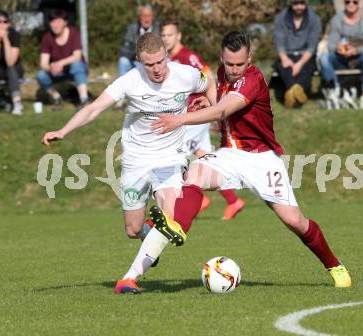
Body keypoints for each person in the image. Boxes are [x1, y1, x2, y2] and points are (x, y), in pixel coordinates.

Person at [119, 31, 351, 294]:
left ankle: (334, 265)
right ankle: (177, 226)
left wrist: (181, 118)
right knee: (193, 173)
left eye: (240, 64)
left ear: (249, 59)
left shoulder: (253, 79)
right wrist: (203, 101)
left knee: (294, 221)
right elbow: (219, 111)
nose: (234, 69)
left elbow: (221, 111)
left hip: (262, 160)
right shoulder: (220, 73)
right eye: (229, 64)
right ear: (222, 58)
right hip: (230, 154)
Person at [40, 32, 215, 293]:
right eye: (149, 64)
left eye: (160, 62)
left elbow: (209, 81)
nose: (156, 69)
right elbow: (94, 108)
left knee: (170, 215)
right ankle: (149, 234)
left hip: (170, 157)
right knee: (133, 230)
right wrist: (63, 131)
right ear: (139, 60)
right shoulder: (130, 81)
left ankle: (129, 278)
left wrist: (210, 104)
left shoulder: (185, 74)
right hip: (136, 159)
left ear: (166, 55)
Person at [161, 20, 245, 220]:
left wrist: (214, 106)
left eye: (170, 35)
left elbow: (208, 77)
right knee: (204, 157)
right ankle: (233, 201)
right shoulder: (166, 59)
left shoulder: (188, 56)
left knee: (173, 156)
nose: (166, 39)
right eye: (163, 35)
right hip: (187, 116)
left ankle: (180, 204)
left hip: (193, 116)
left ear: (178, 36)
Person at [319, 0, 363, 109]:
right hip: (341, 57)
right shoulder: (337, 19)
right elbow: (331, 45)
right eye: (347, 2)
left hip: (361, 56)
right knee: (324, 59)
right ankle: (336, 93)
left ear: (359, 3)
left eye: (355, 2)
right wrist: (339, 48)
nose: (351, 4)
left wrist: (356, 50)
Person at [273, 0, 322, 108]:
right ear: (290, 3)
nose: (299, 6)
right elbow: (278, 41)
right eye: (296, 3)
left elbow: (312, 46)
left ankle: (291, 92)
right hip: (287, 54)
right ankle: (297, 90)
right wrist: (285, 59)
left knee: (306, 68)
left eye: (302, 3)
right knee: (284, 67)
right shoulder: (280, 18)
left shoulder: (314, 19)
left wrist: (299, 64)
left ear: (306, 3)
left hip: (306, 55)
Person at [36, 9, 89, 106]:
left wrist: (60, 63)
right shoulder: (47, 37)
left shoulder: (74, 33)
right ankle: (56, 97)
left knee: (77, 65)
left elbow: (77, 56)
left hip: (75, 68)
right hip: (57, 72)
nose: (55, 25)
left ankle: (84, 99)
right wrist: (51, 67)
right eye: (53, 21)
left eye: (58, 21)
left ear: (65, 22)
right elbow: (43, 63)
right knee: (41, 75)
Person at [117, 4, 159, 77]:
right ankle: (122, 87)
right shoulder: (131, 29)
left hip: (154, 62)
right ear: (139, 17)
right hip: (136, 61)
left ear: (153, 17)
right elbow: (123, 50)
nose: (147, 19)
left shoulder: (159, 28)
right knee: (123, 61)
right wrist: (139, 54)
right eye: (144, 16)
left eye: (149, 16)